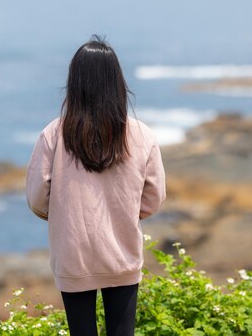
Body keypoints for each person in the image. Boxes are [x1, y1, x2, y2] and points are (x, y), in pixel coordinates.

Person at [26, 35, 166, 336]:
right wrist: (125, 211)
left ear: (75, 83)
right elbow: (154, 198)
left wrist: (65, 212)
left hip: (73, 254)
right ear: (117, 81)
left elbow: (37, 197)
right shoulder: (142, 135)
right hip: (122, 252)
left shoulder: (53, 134)